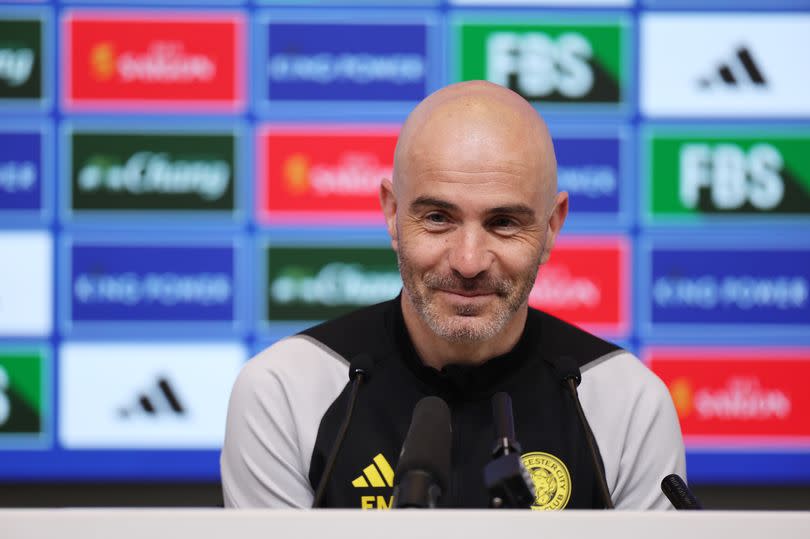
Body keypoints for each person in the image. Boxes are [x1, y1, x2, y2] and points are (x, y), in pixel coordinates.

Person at [221, 80, 686, 509]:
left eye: (504, 223)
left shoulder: (628, 402)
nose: (468, 261)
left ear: (551, 227)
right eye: (438, 218)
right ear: (392, 213)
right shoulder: (284, 392)